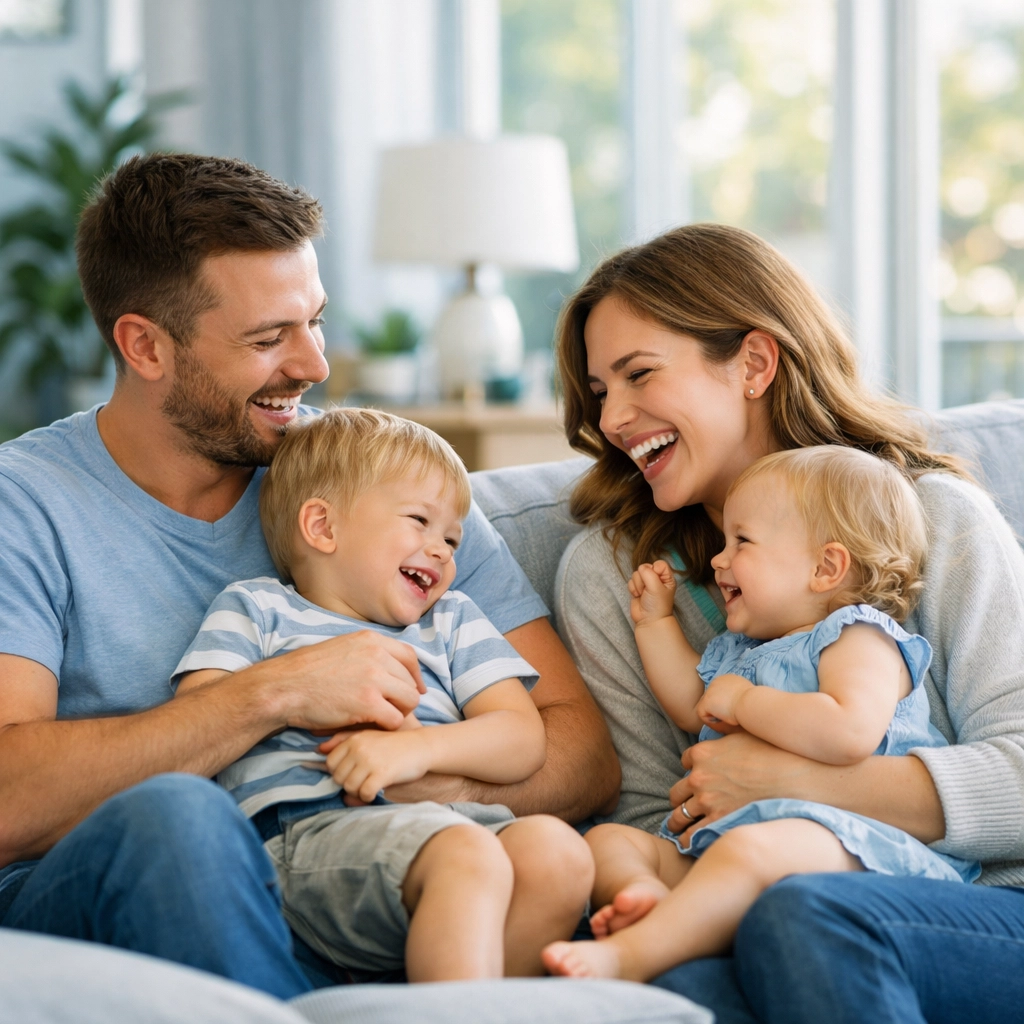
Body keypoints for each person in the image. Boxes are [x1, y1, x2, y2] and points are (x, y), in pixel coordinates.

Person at [0, 153, 618, 997]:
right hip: (107, 898)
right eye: (268, 339)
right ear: (145, 345)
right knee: (178, 818)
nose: (316, 365)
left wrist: (419, 780)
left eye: (315, 322)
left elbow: (583, 751)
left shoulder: (384, 483)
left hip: (390, 884)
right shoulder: (25, 507)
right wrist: (276, 692)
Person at [554, 222, 1024, 1023]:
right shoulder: (615, 575)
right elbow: (652, 814)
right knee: (677, 986)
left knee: (804, 915)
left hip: (976, 905)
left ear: (754, 364)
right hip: (744, 896)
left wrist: (797, 782)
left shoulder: (932, 518)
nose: (615, 417)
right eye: (600, 393)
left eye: (639, 374)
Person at [174, 407, 593, 981]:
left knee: (559, 854)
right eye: (419, 520)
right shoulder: (256, 608)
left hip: (450, 822)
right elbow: (196, 725)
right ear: (322, 527)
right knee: (465, 856)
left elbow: (522, 738)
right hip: (310, 834)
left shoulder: (452, 620)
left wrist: (417, 751)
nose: (443, 551)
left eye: (452, 537)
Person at [543, 445, 978, 982]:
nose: (718, 560)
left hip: (860, 845)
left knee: (751, 852)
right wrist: (655, 625)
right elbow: (694, 705)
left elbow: (849, 731)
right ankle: (650, 899)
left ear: (825, 567)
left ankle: (630, 956)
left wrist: (745, 702)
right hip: (751, 844)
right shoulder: (744, 650)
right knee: (610, 842)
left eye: (741, 542)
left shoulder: (859, 637)